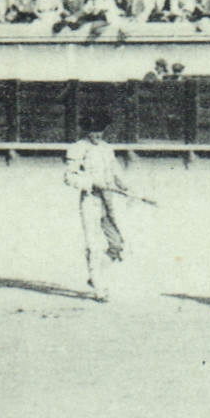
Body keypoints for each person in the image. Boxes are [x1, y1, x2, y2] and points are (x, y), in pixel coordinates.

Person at [62, 109, 129, 298]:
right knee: (93, 245)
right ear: (86, 131)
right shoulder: (78, 148)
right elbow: (69, 177)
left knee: (117, 245)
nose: (97, 134)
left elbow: (116, 172)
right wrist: (91, 183)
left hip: (108, 199)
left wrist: (126, 187)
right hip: (90, 199)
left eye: (100, 130)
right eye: (93, 131)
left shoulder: (107, 148)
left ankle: (95, 276)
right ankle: (99, 286)